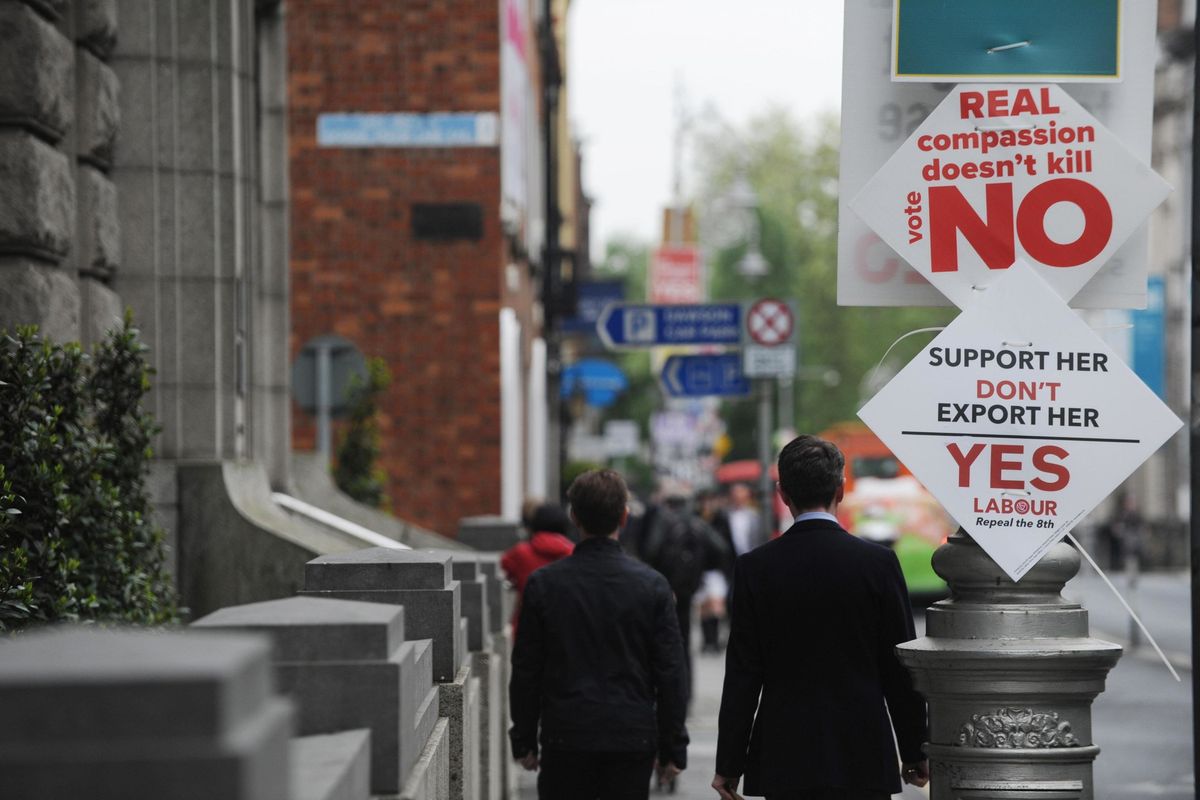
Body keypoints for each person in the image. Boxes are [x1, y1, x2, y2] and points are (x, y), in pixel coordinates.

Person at [712, 435, 928, 800]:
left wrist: (730, 763)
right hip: (863, 753)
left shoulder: (755, 568)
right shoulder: (877, 564)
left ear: (783, 493)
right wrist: (913, 749)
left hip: (785, 756)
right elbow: (899, 667)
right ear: (841, 489)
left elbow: (743, 676)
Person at [510, 469, 689, 800]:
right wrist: (673, 746)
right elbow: (670, 673)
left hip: (565, 734)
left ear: (574, 517)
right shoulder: (653, 586)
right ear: (624, 516)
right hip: (631, 735)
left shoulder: (543, 585)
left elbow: (526, 669)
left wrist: (523, 739)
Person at [500, 503, 575, 632]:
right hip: (566, 626)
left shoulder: (520, 553)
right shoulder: (574, 553)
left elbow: (504, 566)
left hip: (527, 625)